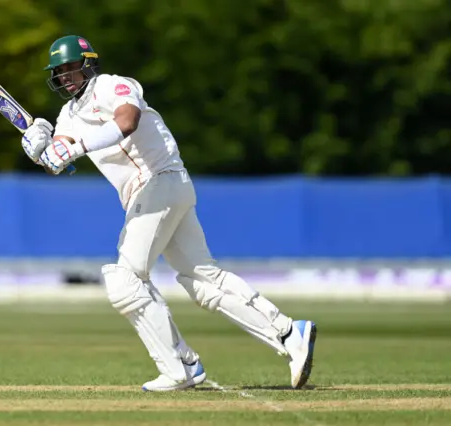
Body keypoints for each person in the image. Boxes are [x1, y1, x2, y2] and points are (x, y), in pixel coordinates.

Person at [21, 35, 317, 392]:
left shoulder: (113, 86)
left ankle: (181, 367)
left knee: (125, 279)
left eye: (70, 67)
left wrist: (75, 147)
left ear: (88, 64)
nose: (65, 76)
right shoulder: (68, 116)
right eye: (59, 71)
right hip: (155, 193)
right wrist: (39, 145)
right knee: (204, 281)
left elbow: (126, 121)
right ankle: (288, 332)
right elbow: (61, 153)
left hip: (161, 180)